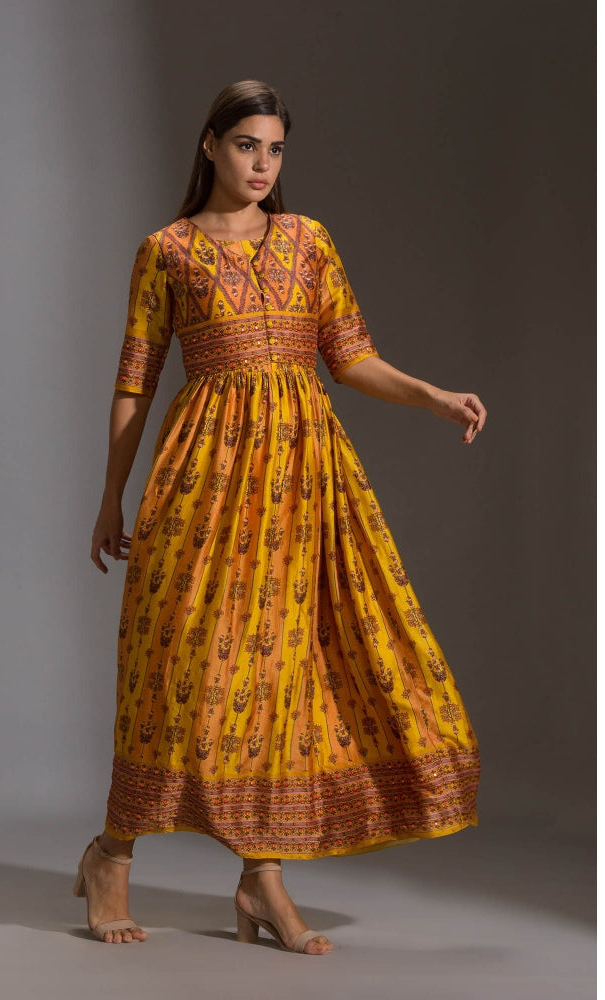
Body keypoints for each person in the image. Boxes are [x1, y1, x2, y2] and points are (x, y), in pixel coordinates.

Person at [75, 80, 487, 954]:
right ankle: (112, 853)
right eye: (246, 145)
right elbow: (134, 382)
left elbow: (350, 355)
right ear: (210, 145)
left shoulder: (309, 240)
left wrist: (432, 395)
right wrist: (112, 494)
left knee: (281, 670)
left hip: (303, 482)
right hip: (202, 481)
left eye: (275, 150)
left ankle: (262, 877)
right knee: (173, 668)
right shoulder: (166, 251)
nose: (262, 164)